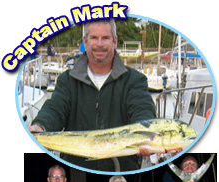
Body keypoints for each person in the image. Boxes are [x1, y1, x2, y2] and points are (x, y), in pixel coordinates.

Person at [28, 19, 156, 172]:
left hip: (122, 171)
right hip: (75, 169)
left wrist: (146, 137)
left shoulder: (135, 80)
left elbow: (143, 111)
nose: (99, 44)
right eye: (94, 38)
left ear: (115, 41)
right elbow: (55, 109)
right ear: (85, 41)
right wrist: (41, 126)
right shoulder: (67, 80)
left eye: (105, 38)